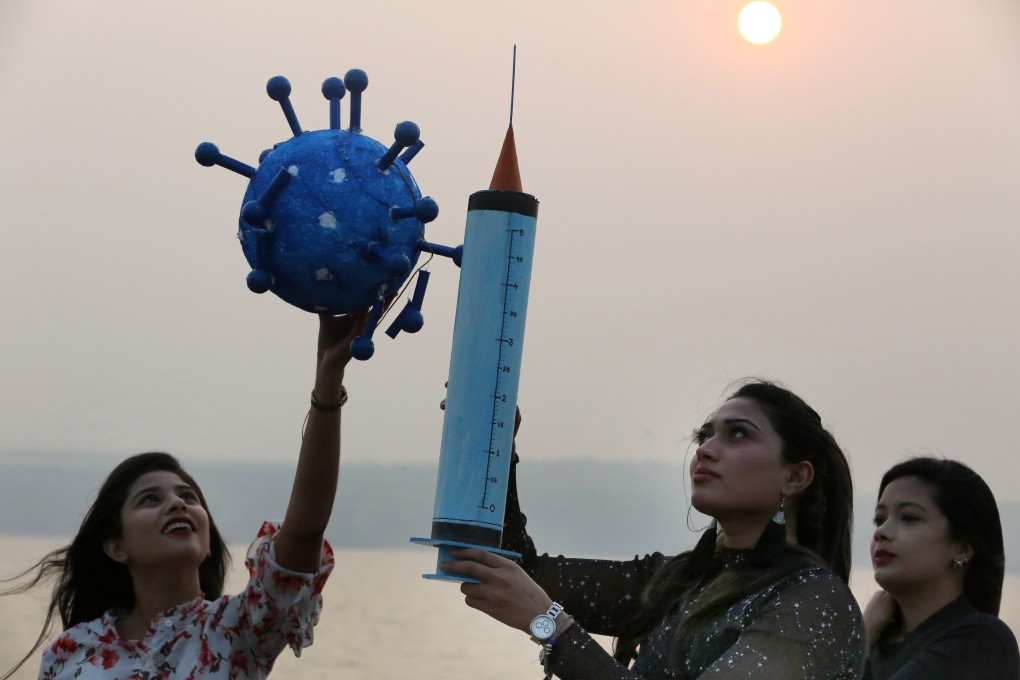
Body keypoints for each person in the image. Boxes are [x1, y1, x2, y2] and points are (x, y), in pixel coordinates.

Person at [1, 311, 366, 680]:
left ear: (208, 544)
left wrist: (329, 375)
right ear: (115, 546)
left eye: (188, 497)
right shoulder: (72, 653)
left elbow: (305, 529)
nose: (177, 504)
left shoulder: (238, 630)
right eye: (149, 499)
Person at [442, 380, 865, 679]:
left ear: (795, 477)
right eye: (704, 435)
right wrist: (495, 450)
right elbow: (519, 573)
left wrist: (551, 626)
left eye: (737, 434)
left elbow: (538, 603)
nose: (706, 449)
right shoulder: (679, 581)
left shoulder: (813, 601)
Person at [863, 457, 1019, 679]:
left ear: (962, 548)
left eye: (909, 518)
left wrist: (861, 638)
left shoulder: (981, 641)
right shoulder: (874, 648)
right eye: (879, 520)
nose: (881, 532)